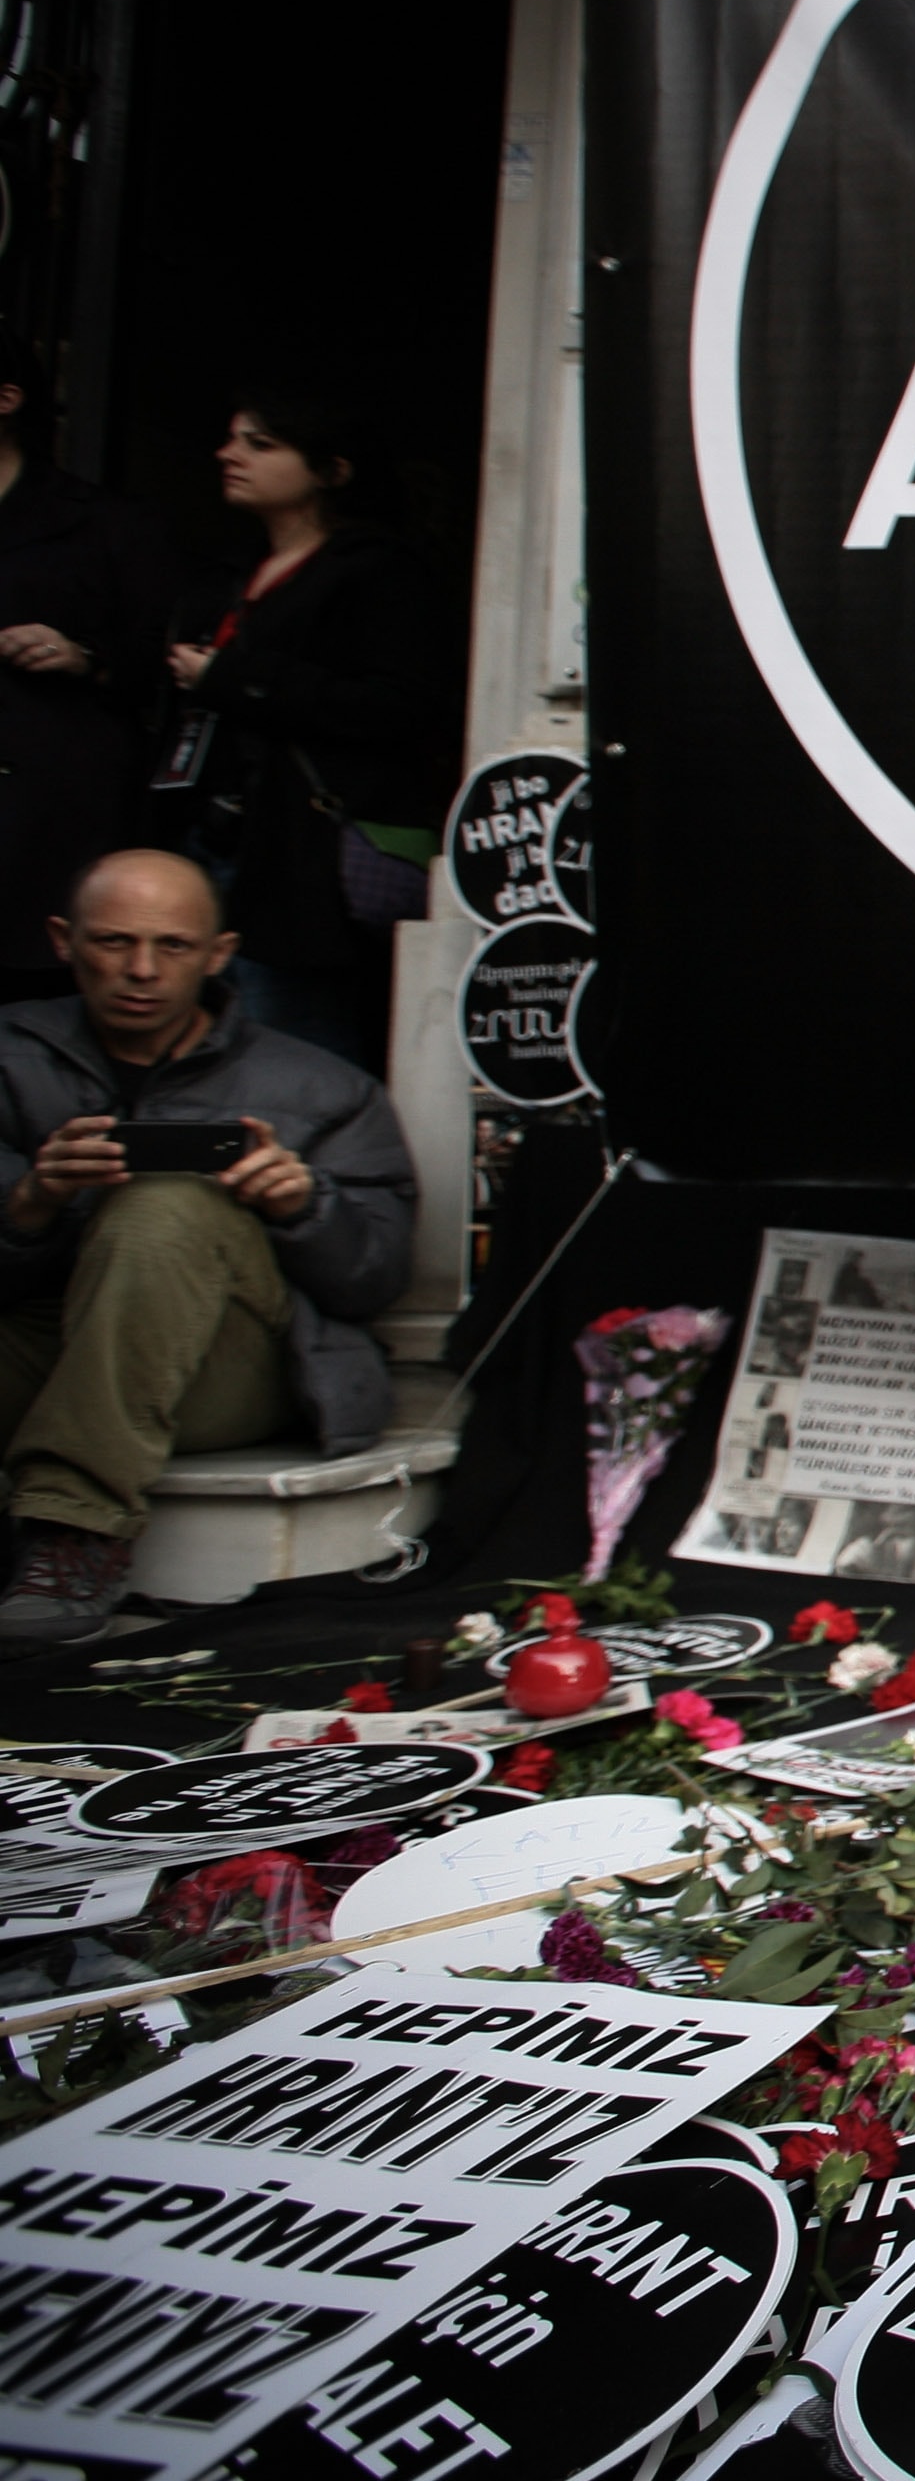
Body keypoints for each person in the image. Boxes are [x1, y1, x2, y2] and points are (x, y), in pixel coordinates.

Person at [0, 848, 418, 1651]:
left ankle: (74, 1529)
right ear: (63, 940)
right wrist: (29, 1203)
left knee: (167, 1203)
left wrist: (304, 1205)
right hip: (50, 1339)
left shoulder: (322, 1088)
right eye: (114, 942)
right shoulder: (10, 1058)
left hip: (235, 1365)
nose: (142, 971)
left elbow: (377, 1279)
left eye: (174, 947)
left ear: (220, 954)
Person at [159, 388, 457, 1071]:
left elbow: (400, 705)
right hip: (213, 834)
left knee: (290, 1041)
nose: (228, 455)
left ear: (332, 470)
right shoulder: (230, 572)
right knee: (198, 1042)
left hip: (301, 853)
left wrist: (234, 678)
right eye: (232, 439)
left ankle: (317, 1175)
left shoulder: (378, 572)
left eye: (260, 444)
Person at [0, 323, 169, 998]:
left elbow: (164, 660)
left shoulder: (103, 523)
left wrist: (85, 659)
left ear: (6, 398)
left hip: (46, 820)